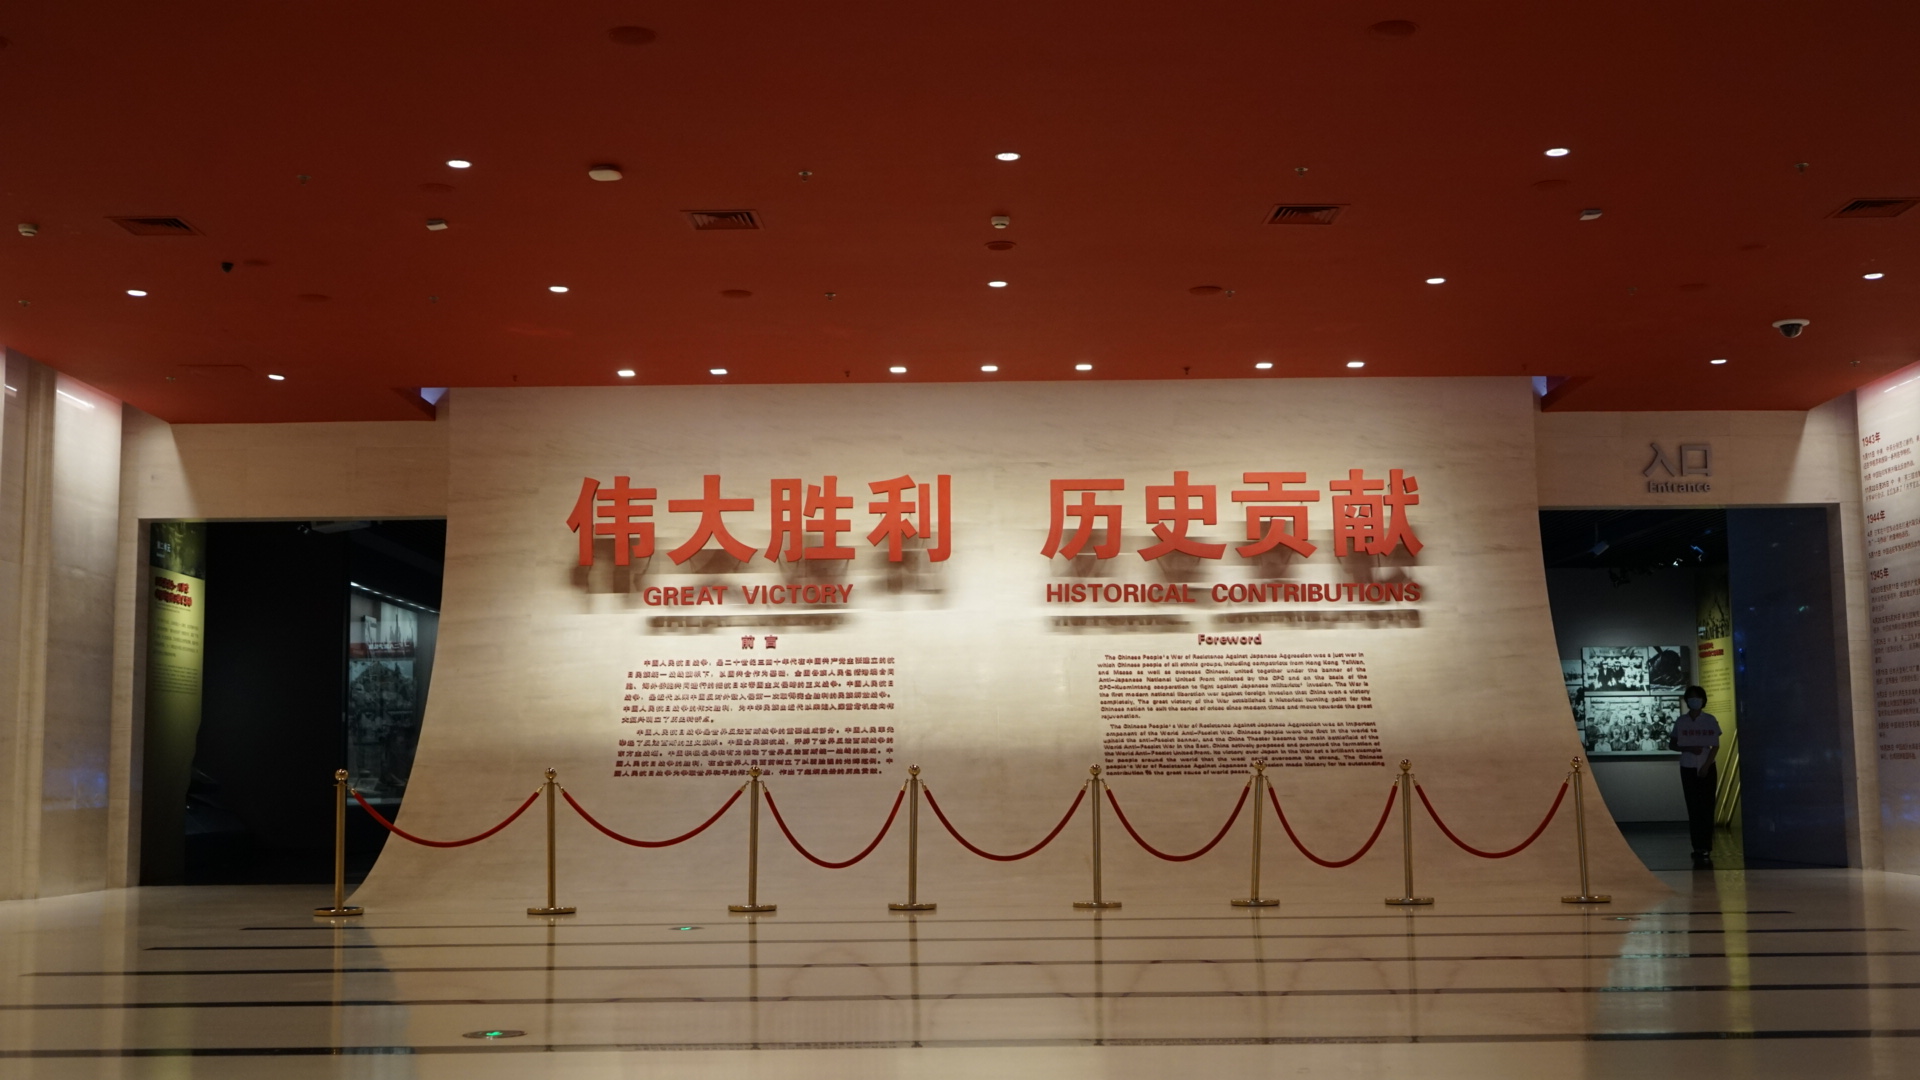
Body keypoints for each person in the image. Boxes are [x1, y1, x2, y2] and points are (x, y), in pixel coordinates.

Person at [1669, 685, 1722, 868]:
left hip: (1707, 766)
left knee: (1707, 807)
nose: (1694, 701)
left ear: (1703, 700)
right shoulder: (1681, 721)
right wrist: (1688, 748)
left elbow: (1715, 745)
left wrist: (1706, 766)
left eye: (1697, 697)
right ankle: (1697, 846)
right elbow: (1672, 744)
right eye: (1691, 698)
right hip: (1688, 766)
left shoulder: (1709, 719)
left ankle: (1706, 846)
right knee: (1693, 807)